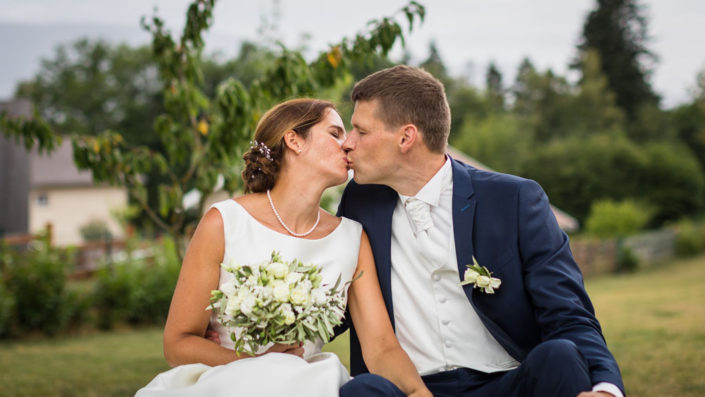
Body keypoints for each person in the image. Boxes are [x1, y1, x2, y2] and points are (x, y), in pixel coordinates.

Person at [337, 65, 625, 397]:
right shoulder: (360, 201)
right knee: (362, 390)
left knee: (559, 355)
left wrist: (605, 389)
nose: (347, 143)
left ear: (406, 137)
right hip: (411, 388)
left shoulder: (513, 199)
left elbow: (569, 312)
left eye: (360, 130)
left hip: (506, 383)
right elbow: (340, 302)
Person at [136, 98, 431, 397]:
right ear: (294, 140)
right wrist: (255, 364)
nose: (347, 144)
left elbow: (381, 346)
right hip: (229, 384)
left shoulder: (352, 238)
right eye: (335, 133)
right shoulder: (225, 222)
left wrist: (420, 393)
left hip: (312, 383)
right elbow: (177, 343)